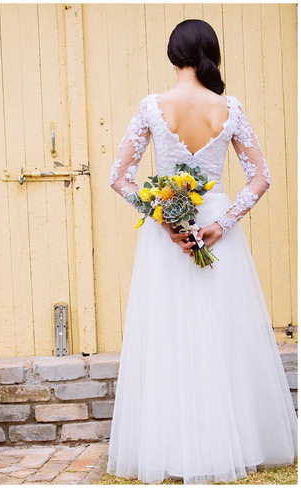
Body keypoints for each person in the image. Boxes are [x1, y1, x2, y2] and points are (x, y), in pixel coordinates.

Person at [108, 19, 297, 484]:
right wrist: (222, 223)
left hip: (166, 235)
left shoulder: (152, 107)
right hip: (215, 229)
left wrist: (162, 217)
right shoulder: (229, 108)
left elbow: (120, 178)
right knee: (223, 334)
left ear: (174, 56)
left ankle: (171, 446)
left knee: (168, 334)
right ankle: (233, 441)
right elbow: (260, 177)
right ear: (211, 53)